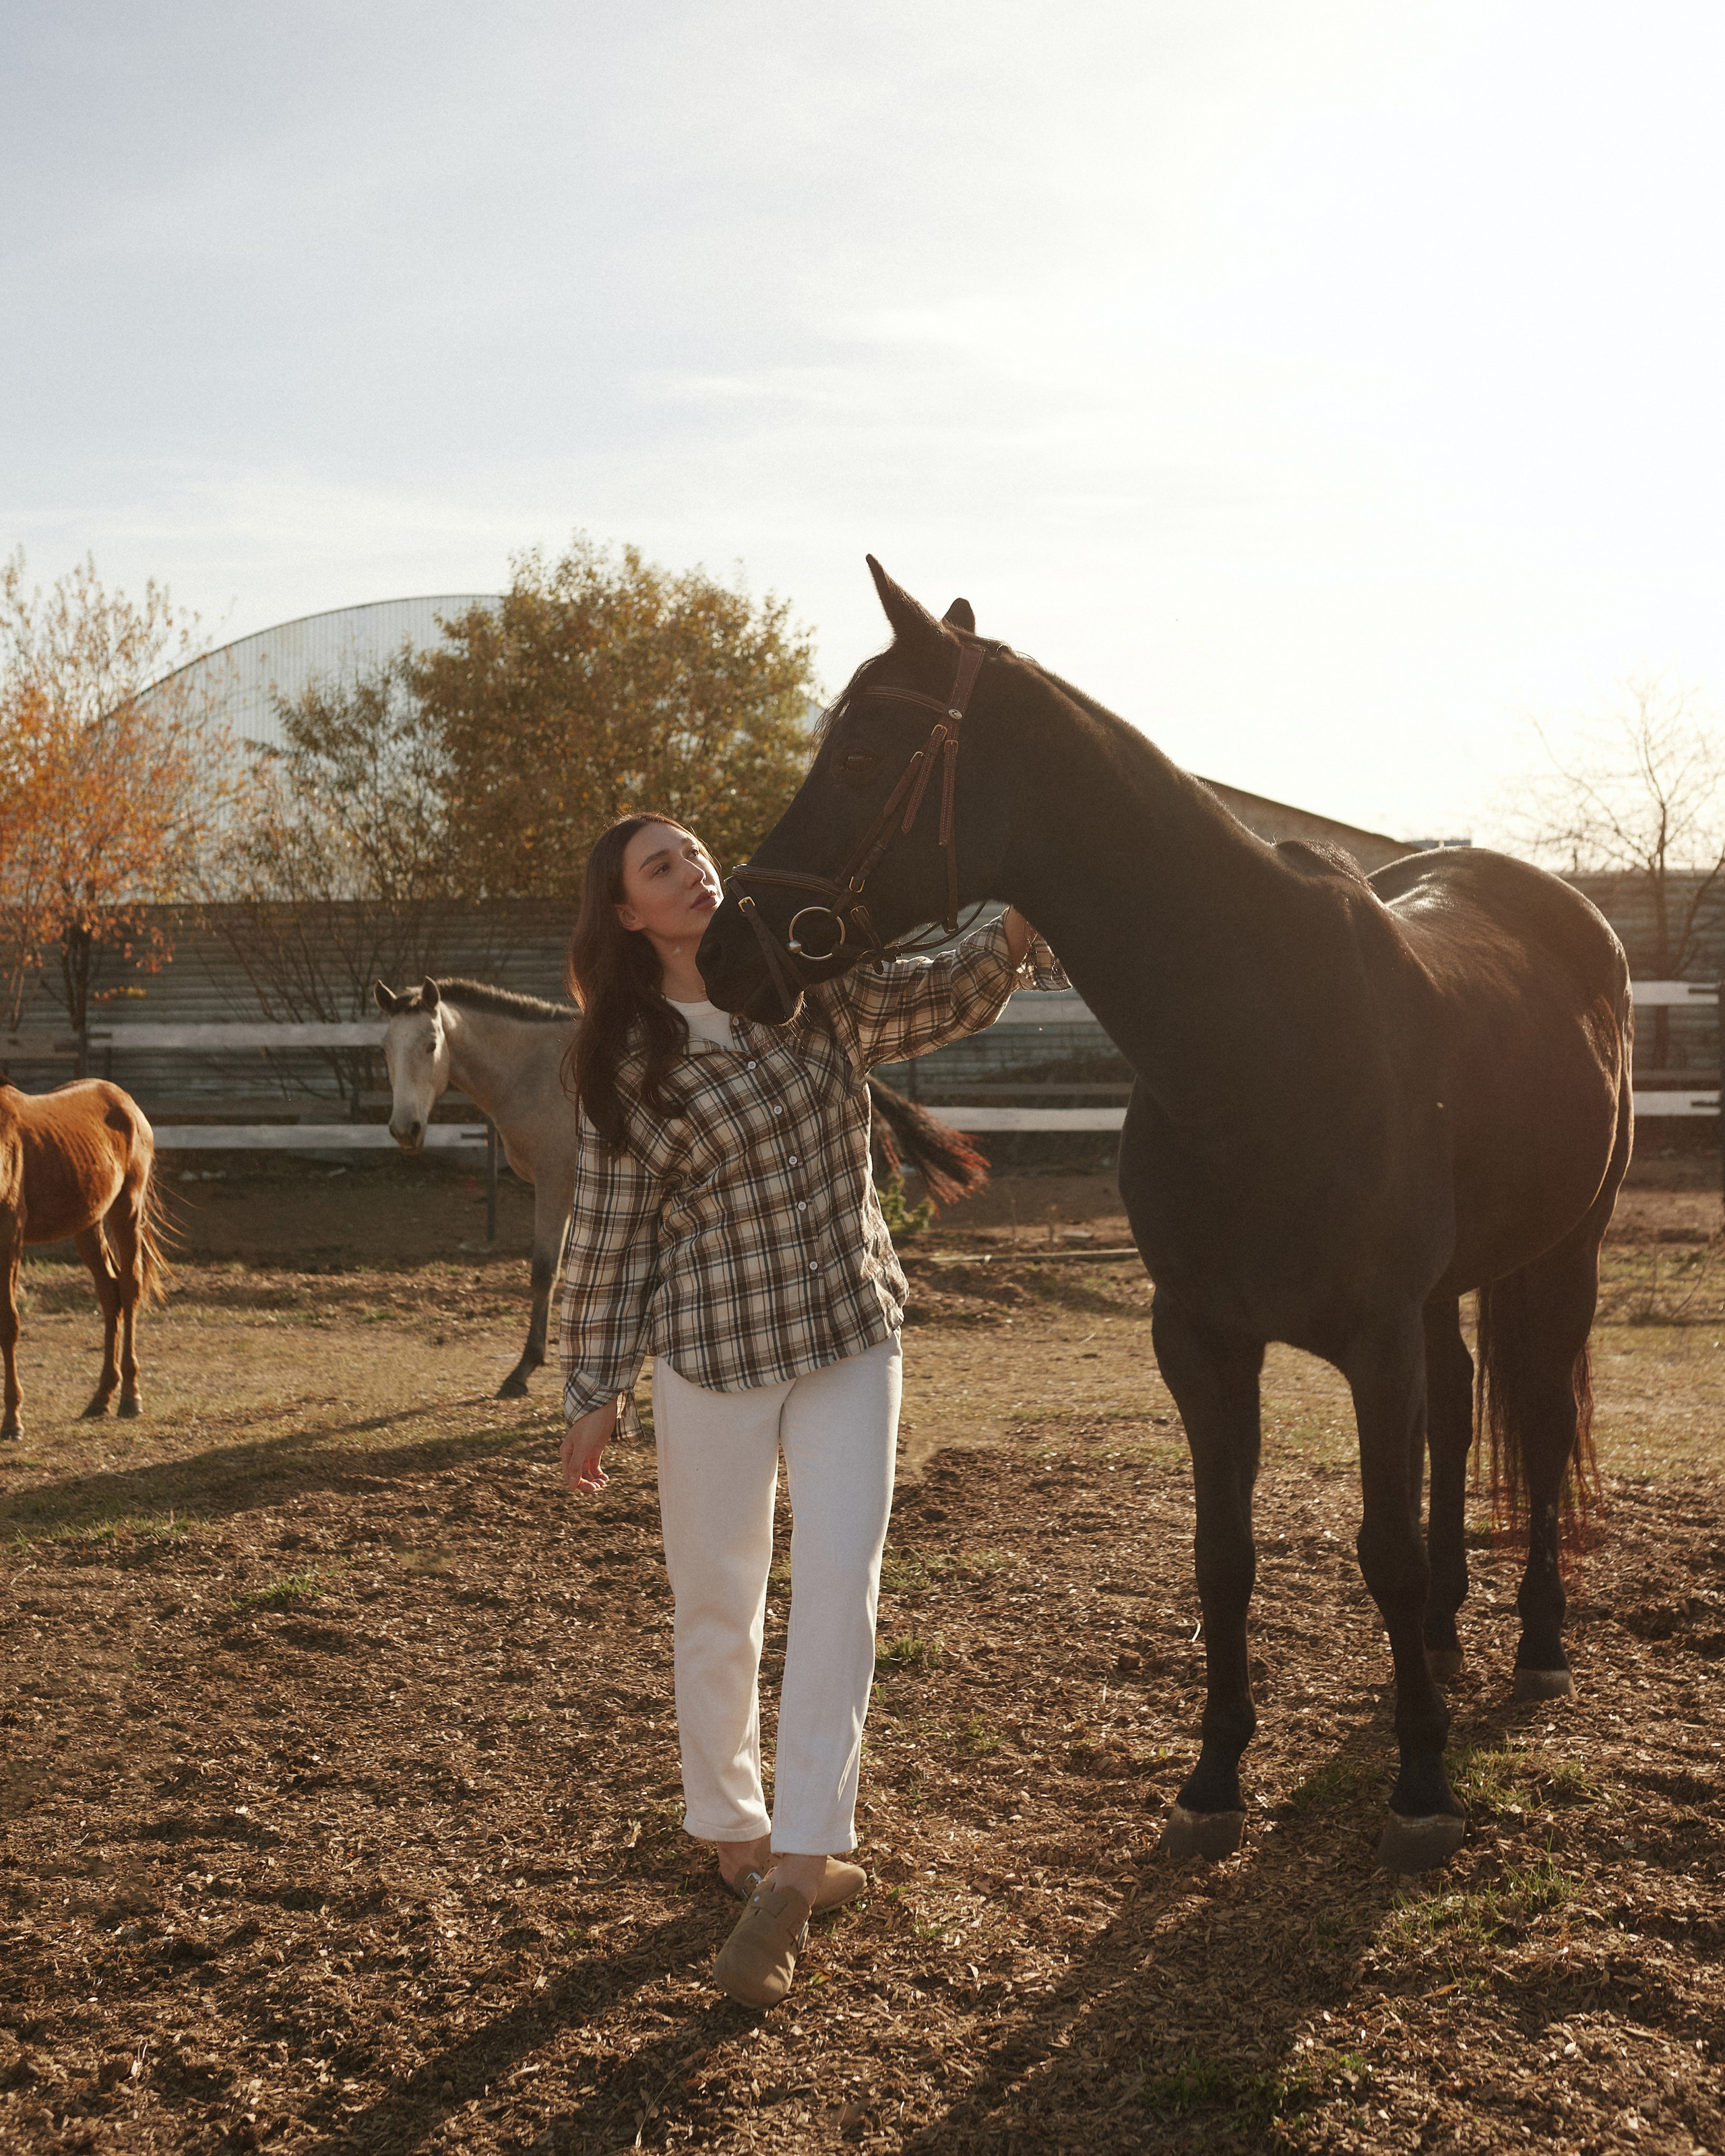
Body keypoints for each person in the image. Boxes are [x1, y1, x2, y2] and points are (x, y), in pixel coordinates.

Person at [557, 811, 1067, 2006]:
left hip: (850, 1331)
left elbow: (942, 996)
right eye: (660, 866)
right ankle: (732, 1830)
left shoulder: (807, 986)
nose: (693, 873)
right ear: (627, 913)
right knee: (718, 1601)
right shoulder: (628, 1060)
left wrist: (1027, 910)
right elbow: (612, 1235)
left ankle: (795, 1863)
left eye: (694, 854)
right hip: (714, 1353)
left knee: (843, 1581)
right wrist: (594, 1386)